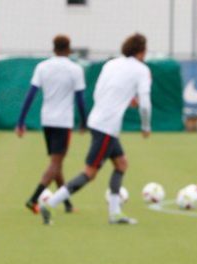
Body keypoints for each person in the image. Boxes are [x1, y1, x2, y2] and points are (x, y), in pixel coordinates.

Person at [41, 33, 152, 226]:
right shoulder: (142, 70)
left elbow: (99, 91)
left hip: (97, 120)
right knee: (90, 173)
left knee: (121, 164)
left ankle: (115, 213)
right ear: (142, 51)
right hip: (107, 127)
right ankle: (51, 203)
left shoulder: (111, 64)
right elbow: (145, 104)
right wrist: (145, 126)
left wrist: (121, 102)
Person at [16, 35, 86, 214]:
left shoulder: (42, 67)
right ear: (69, 49)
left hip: (46, 120)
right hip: (63, 122)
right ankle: (33, 199)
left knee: (57, 163)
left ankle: (67, 204)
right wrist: (84, 122)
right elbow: (80, 99)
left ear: (53, 49)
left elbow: (30, 95)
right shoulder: (75, 69)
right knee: (56, 162)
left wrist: (21, 121)